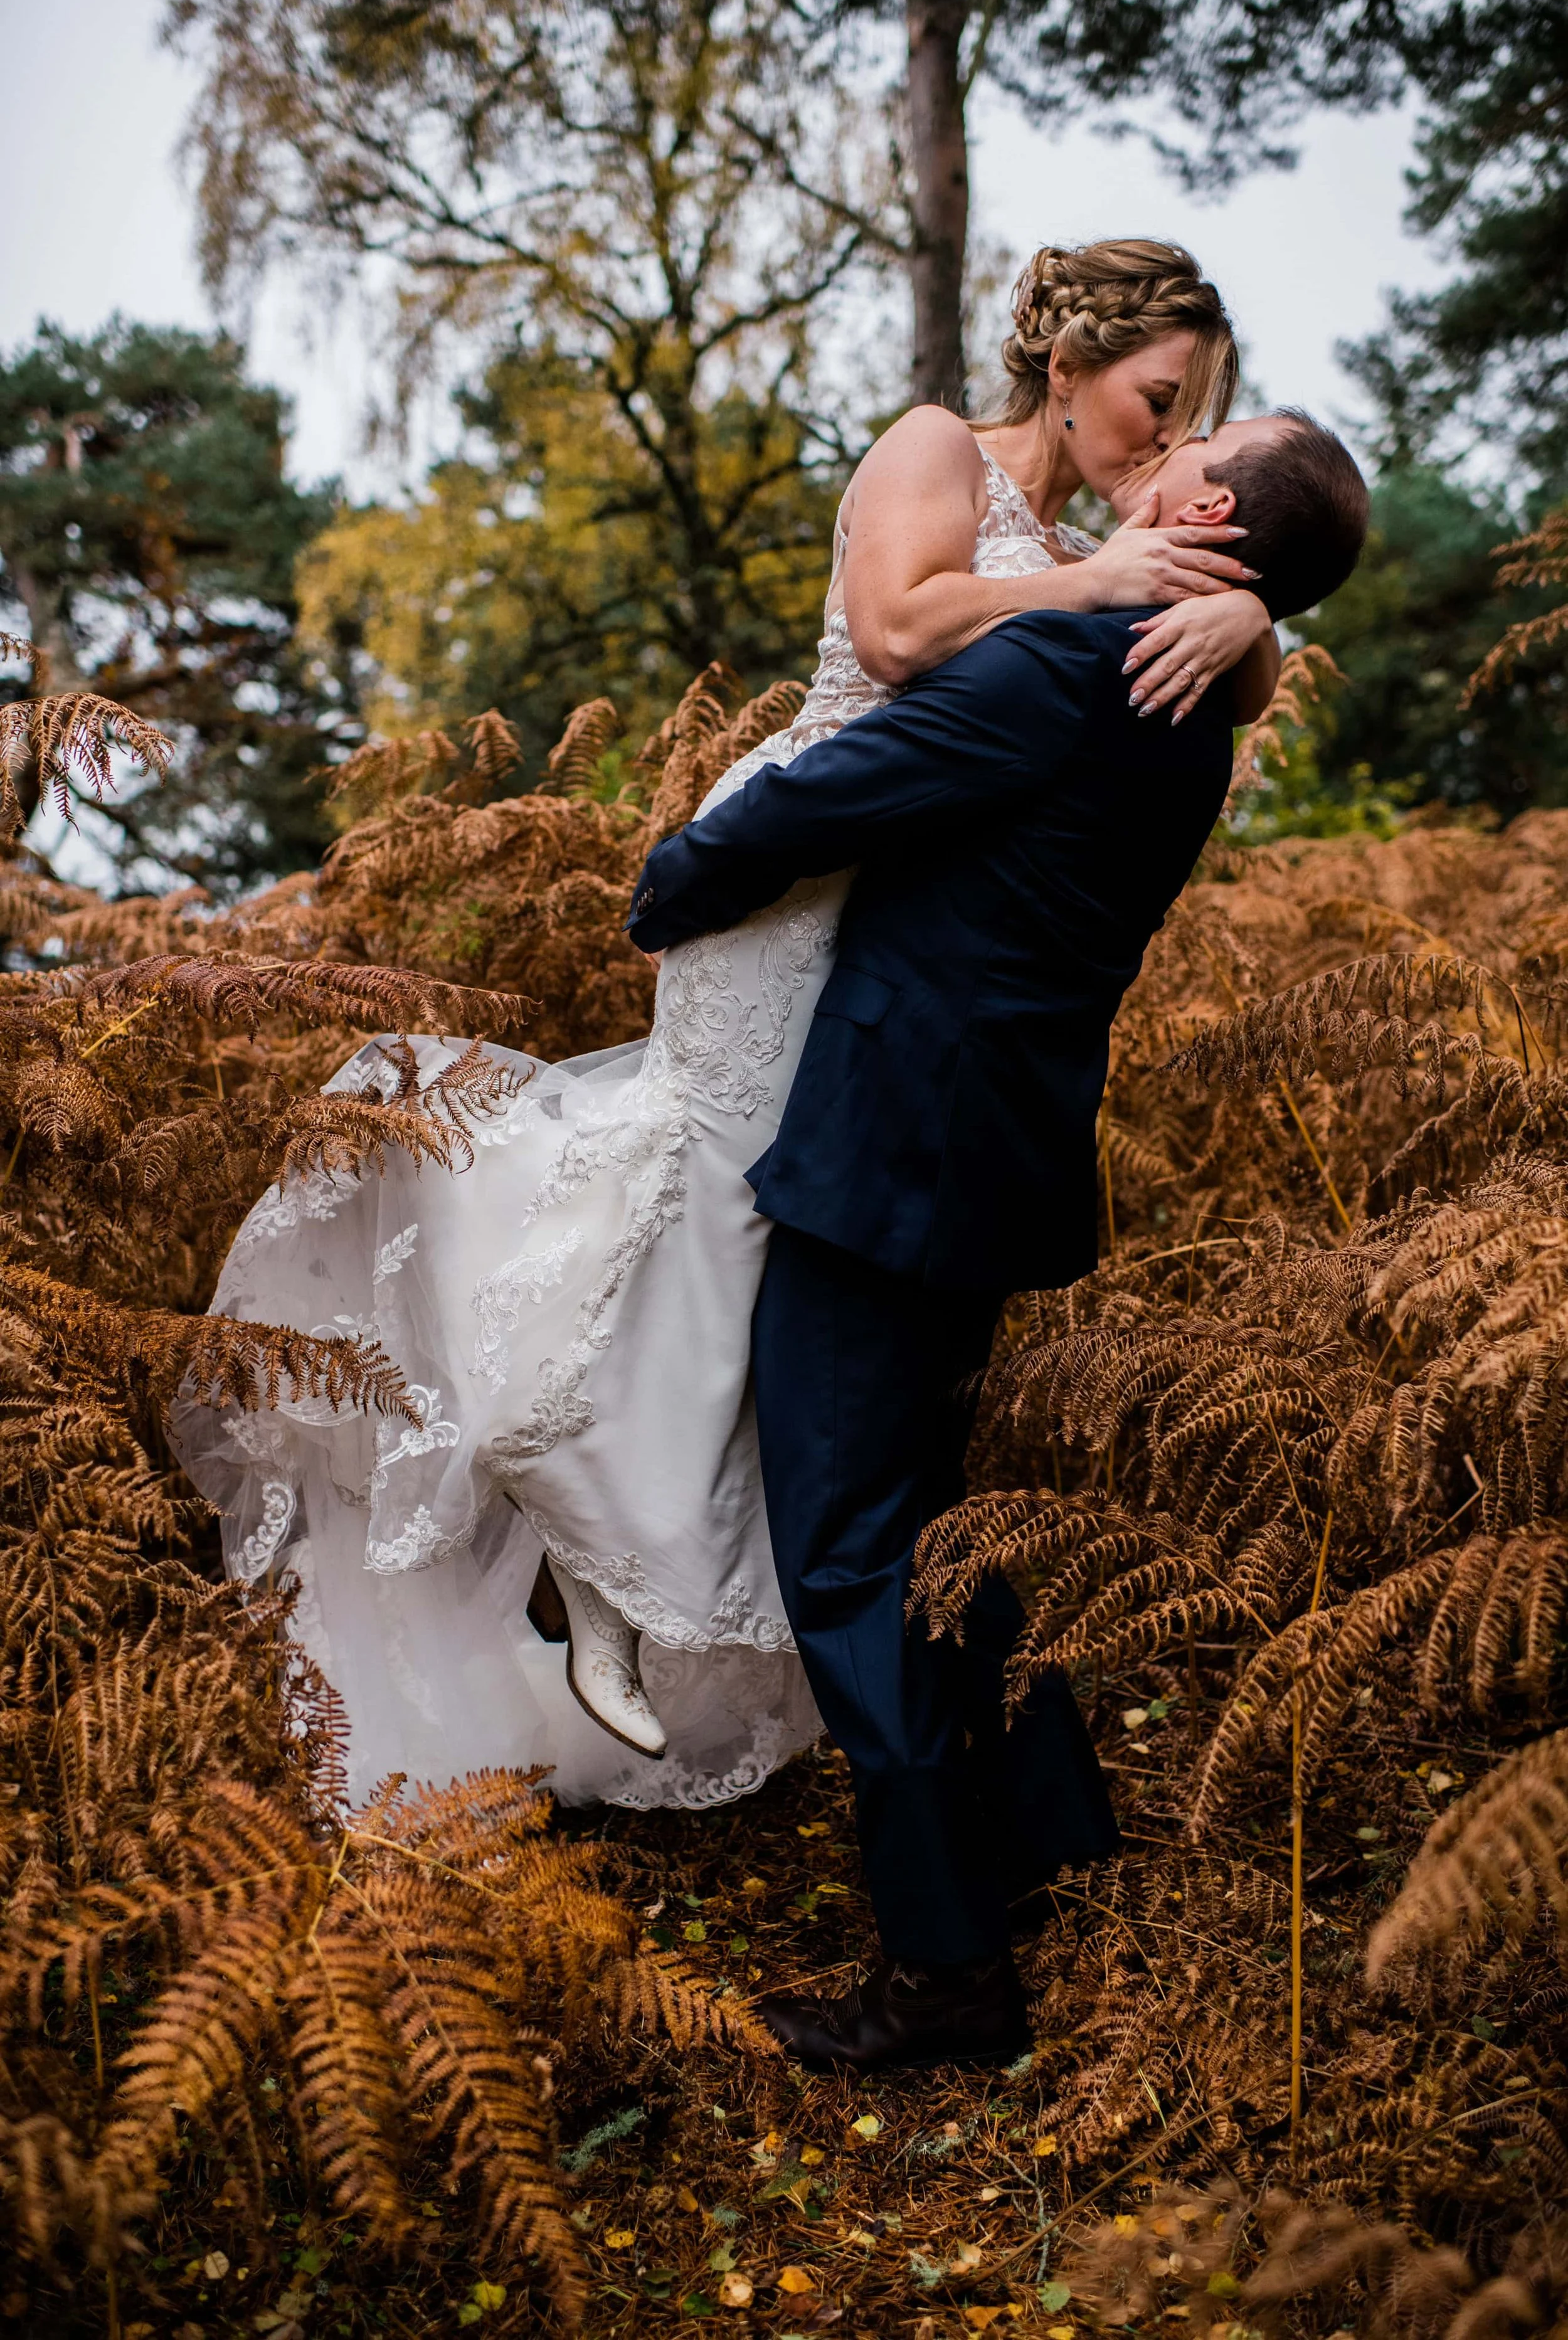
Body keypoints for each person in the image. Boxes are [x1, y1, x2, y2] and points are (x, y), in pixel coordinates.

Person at [171, 240, 1278, 1815]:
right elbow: (897, 640)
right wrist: (1092, 581)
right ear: (1066, 363)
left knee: (769, 1267)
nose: (1167, 447)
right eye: (1158, 403)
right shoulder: (933, 451)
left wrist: (1245, 630)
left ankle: (627, 1556)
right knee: (697, 1197)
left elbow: (1197, 638)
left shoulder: (1114, 540)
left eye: (1198, 422)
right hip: (781, 885)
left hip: (881, 920)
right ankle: (575, 1522)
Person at [625, 403, 1370, 2068]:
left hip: (890, 1155)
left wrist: (671, 878)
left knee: (846, 1554)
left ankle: (945, 1973)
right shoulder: (1190, 716)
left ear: (1202, 511)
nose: (1165, 456)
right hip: (998, 1153)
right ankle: (1054, 1851)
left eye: (1201, 446)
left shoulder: (1068, 672)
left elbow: (836, 788)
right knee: (946, 1530)